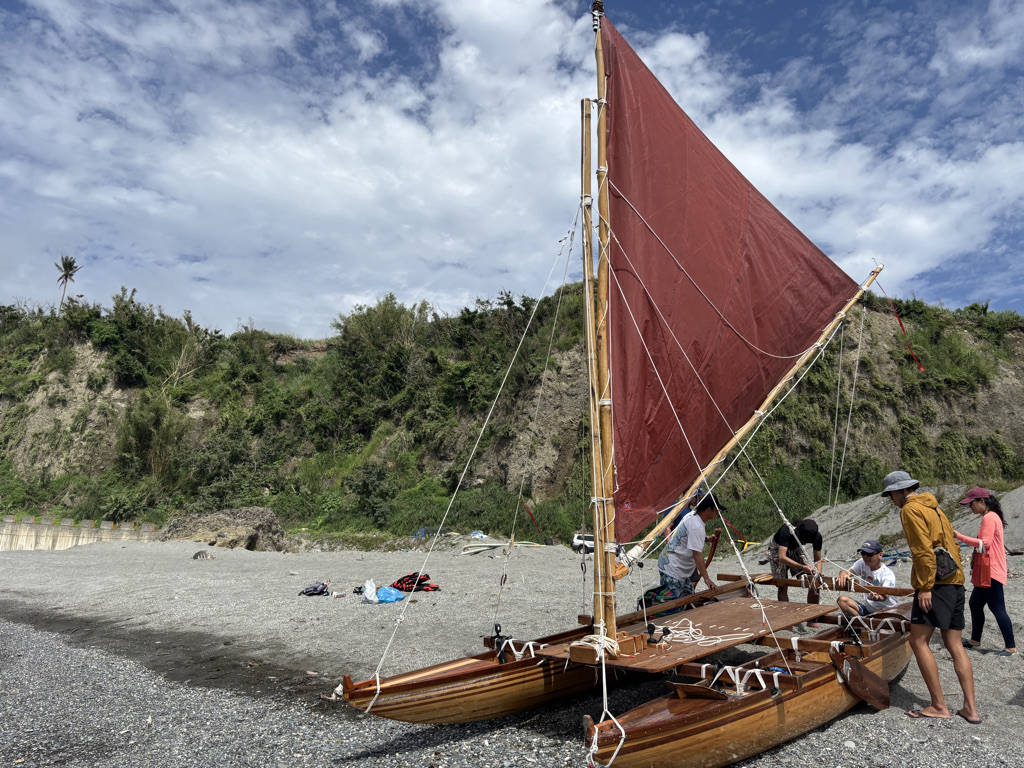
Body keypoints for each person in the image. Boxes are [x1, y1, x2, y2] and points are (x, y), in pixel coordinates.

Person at [882, 470, 981, 723]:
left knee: (918, 641)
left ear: (901, 491)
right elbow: (952, 544)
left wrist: (925, 587)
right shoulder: (934, 507)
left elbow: (922, 550)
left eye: (891, 494)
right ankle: (970, 709)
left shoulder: (910, 509)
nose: (892, 499)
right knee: (955, 644)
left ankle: (938, 705)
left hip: (936, 584)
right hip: (954, 582)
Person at [955, 487, 1016, 656]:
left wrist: (958, 536)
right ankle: (975, 640)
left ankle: (1010, 647)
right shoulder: (992, 516)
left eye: (971, 504)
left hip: (990, 570)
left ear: (982, 501)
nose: (970, 507)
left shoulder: (989, 517)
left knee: (997, 608)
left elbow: (985, 544)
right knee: (975, 604)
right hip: (988, 570)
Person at [657, 495, 722, 599]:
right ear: (708, 509)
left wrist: (707, 538)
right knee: (673, 603)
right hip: (672, 569)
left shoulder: (692, 516)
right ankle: (649, 602)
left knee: (689, 597)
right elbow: (697, 554)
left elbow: (690, 536)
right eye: (716, 510)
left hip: (673, 566)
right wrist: (707, 579)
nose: (717, 513)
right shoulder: (696, 525)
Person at [836, 538, 897, 618]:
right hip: (869, 611)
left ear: (880, 555)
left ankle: (863, 623)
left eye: (869, 554)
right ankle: (862, 623)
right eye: (863, 553)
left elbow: (884, 596)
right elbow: (848, 572)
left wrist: (877, 597)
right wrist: (843, 574)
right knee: (842, 601)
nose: (865, 557)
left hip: (887, 612)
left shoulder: (887, 574)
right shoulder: (862, 563)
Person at [768, 518, 822, 602]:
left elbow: (818, 560)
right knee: (782, 584)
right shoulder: (786, 530)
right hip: (778, 549)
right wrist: (802, 567)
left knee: (814, 581)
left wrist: (818, 573)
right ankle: (784, 608)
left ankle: (813, 607)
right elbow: (782, 557)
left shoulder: (817, 537)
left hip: (796, 547)